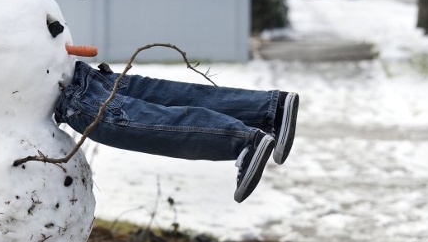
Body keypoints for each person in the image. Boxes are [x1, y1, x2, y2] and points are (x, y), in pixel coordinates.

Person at [55, 61, 299, 203]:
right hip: (55, 61)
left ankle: (244, 143)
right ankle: (270, 109)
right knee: (152, 94)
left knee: (121, 123)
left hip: (47, 86)